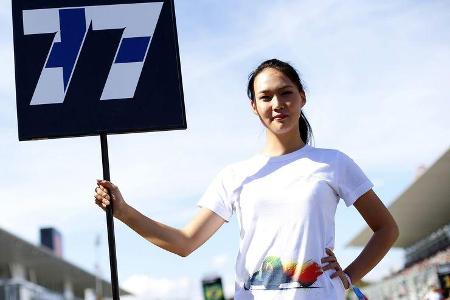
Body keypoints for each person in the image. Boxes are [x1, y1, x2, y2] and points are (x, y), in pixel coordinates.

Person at [94, 59, 399, 299]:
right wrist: (122, 211)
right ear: (254, 106)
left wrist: (348, 276)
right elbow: (184, 243)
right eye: (266, 97)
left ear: (302, 97)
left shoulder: (333, 163)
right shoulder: (234, 176)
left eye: (286, 93)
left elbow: (386, 229)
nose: (277, 104)